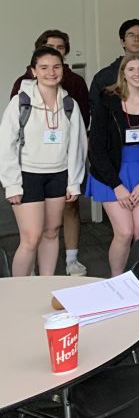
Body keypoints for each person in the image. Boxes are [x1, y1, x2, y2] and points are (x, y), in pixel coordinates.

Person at [1, 47, 87, 276]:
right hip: (27, 176)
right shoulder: (20, 103)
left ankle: (45, 285)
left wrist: (74, 182)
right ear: (33, 71)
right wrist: (11, 184)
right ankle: (18, 292)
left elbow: (77, 147)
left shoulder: (70, 104)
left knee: (51, 232)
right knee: (31, 238)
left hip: (58, 175)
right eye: (44, 67)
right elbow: (6, 145)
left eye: (56, 67)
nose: (51, 72)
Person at [86, 54, 139, 278]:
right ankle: (117, 279)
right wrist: (117, 185)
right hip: (111, 173)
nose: (137, 74)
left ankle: (138, 279)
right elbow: (97, 149)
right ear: (123, 73)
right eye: (131, 69)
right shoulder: (107, 100)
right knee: (124, 232)